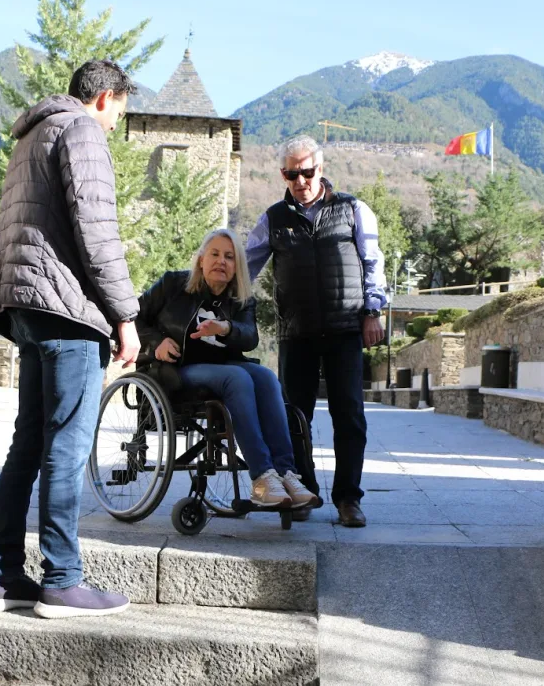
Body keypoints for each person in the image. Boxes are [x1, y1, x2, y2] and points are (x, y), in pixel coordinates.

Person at [0, 60, 141, 619]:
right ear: (106, 98)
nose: (118, 122)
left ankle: (0, 577)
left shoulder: (32, 134)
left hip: (24, 304)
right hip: (66, 310)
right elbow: (98, 231)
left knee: (28, 441)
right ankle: (63, 580)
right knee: (66, 445)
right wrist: (125, 314)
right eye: (121, 109)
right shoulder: (82, 130)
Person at [245, 135, 388, 528]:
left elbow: (373, 261)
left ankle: (348, 499)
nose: (300, 180)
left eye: (307, 172)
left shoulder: (353, 208)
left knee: (350, 416)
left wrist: (373, 311)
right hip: (297, 331)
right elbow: (246, 265)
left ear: (320, 169)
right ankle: (304, 492)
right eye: (292, 174)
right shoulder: (273, 218)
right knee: (294, 417)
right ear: (283, 174)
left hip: (345, 328)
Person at [136, 229, 318, 510]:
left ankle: (285, 473)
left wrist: (226, 327)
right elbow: (133, 316)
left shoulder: (241, 300)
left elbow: (249, 335)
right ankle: (261, 478)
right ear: (201, 260)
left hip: (222, 370)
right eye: (215, 254)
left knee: (267, 377)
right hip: (176, 371)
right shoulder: (173, 284)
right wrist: (156, 342)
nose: (222, 261)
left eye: (229, 257)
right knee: (238, 377)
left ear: (237, 267)